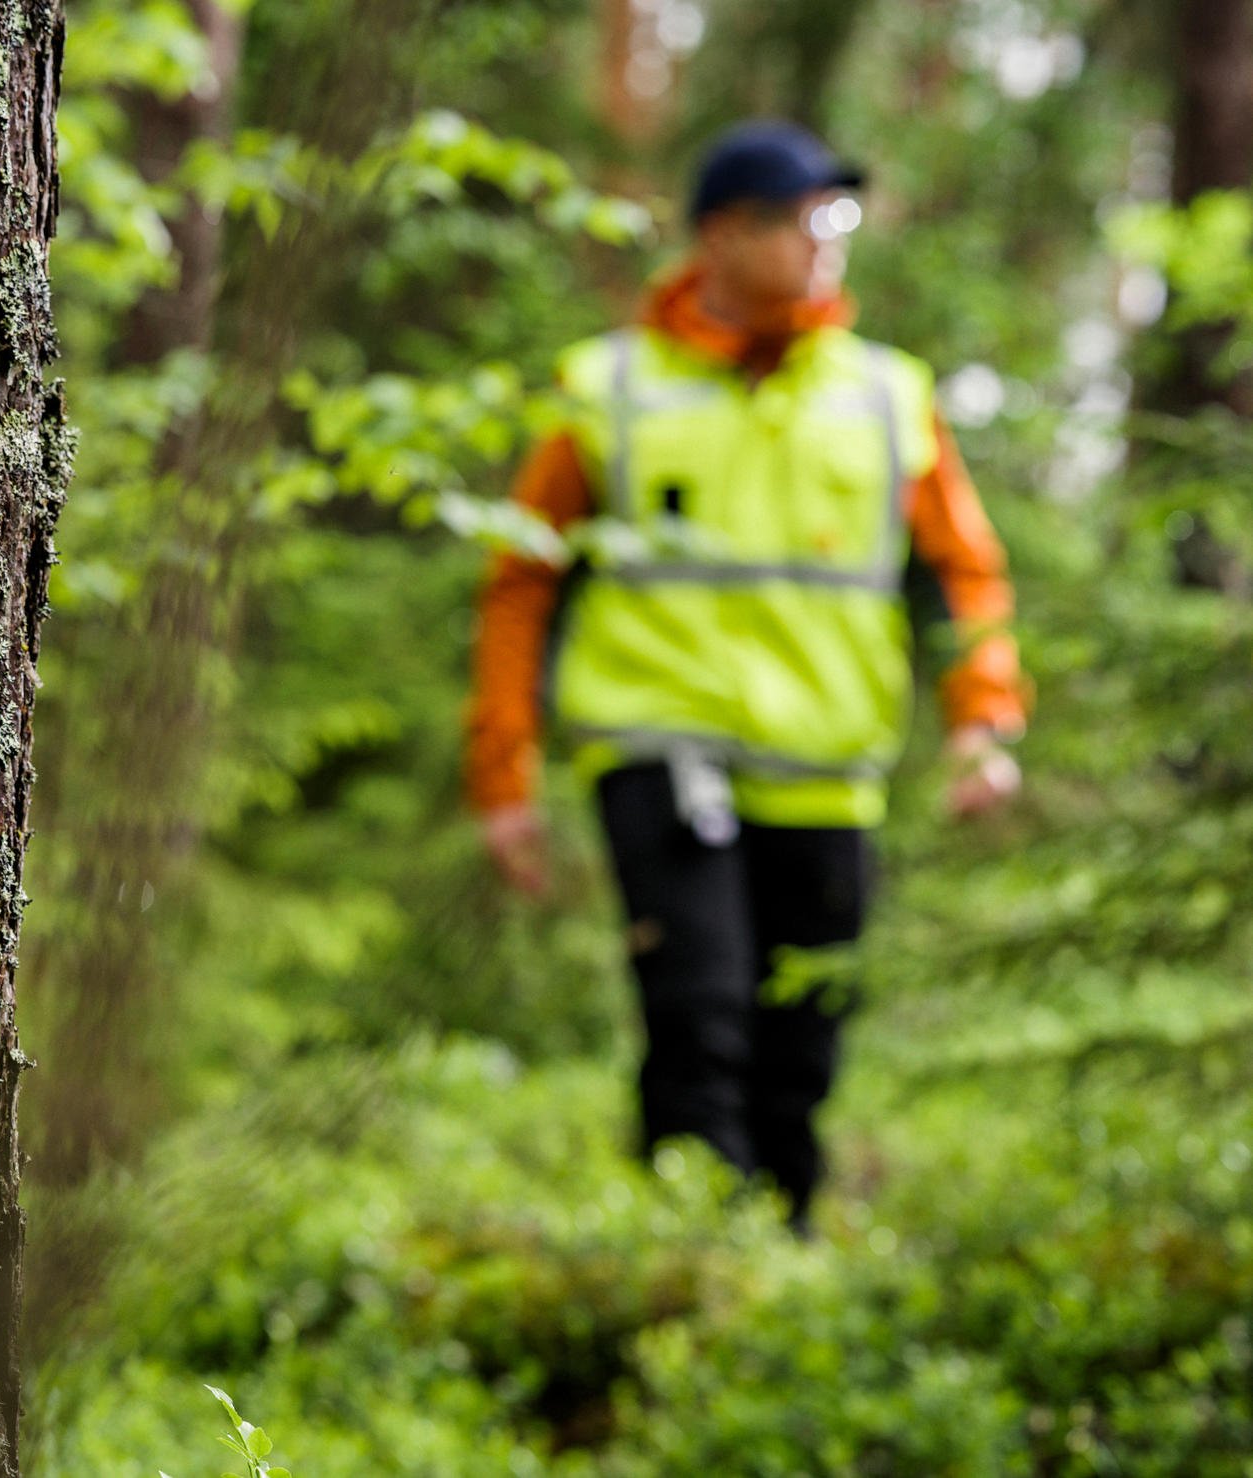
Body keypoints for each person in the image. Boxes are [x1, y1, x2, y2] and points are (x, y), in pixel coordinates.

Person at [465, 120, 1027, 1228]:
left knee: (800, 1041)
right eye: (804, 219)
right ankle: (692, 1269)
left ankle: (781, 1267)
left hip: (827, 773)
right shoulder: (604, 387)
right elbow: (519, 587)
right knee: (699, 1019)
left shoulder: (886, 394)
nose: (828, 244)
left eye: (838, 220)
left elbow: (959, 577)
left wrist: (982, 717)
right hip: (660, 761)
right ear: (721, 234)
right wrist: (504, 775)